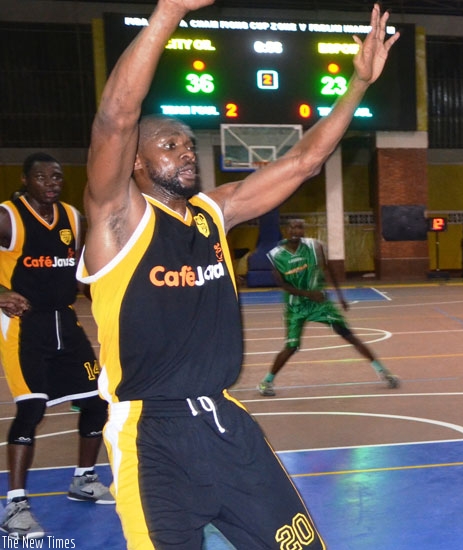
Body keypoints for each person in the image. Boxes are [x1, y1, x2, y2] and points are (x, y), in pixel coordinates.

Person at [77, 1, 399, 547]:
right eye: (169, 145)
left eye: (186, 142)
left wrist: (358, 84)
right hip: (152, 437)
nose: (186, 152)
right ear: (134, 161)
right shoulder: (118, 219)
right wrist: (169, 12)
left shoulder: (212, 213)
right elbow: (115, 119)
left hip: (226, 424)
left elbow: (304, 163)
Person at [0, 153, 113, 540]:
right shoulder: (7, 217)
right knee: (31, 408)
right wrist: (1, 292)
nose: (51, 181)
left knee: (98, 401)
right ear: (25, 179)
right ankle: (15, 506)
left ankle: (83, 479)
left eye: (57, 175)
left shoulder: (72, 217)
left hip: (65, 320)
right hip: (24, 326)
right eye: (41, 175)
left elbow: (77, 264)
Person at [258, 218, 399, 396]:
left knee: (349, 336)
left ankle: (383, 372)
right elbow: (282, 284)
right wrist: (308, 294)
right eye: (293, 227)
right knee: (291, 347)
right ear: (287, 230)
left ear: (304, 230)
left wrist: (340, 296)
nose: (297, 231)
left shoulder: (315, 247)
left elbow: (329, 269)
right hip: (296, 307)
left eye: (300, 227)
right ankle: (266, 382)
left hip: (320, 304)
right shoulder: (276, 255)